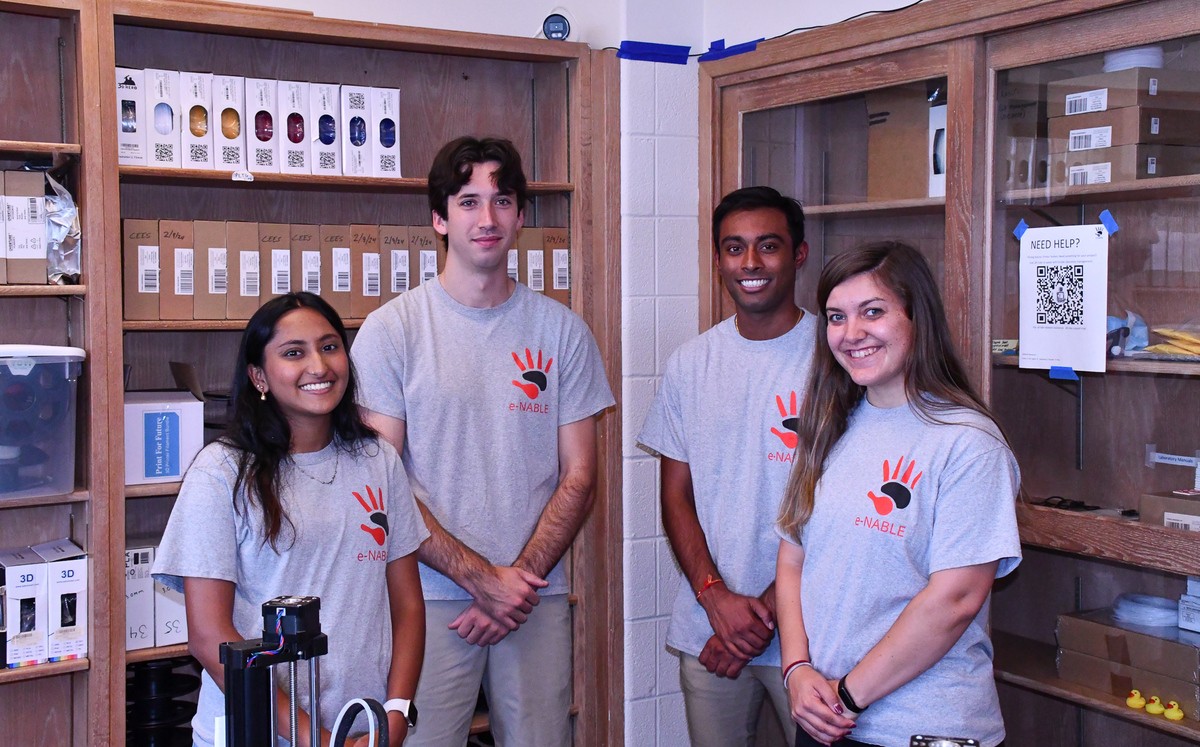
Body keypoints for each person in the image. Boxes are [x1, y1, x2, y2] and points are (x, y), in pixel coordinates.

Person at [351, 136, 614, 746]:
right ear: (439, 218)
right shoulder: (393, 331)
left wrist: (513, 583)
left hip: (533, 597)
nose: (487, 218)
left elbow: (580, 475)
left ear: (522, 214)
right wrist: (478, 579)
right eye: (468, 201)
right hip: (426, 598)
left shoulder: (563, 333)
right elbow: (377, 484)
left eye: (502, 200)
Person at [153, 292, 428, 747]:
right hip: (256, 732)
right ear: (258, 375)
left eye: (330, 346)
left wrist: (395, 715)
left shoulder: (377, 459)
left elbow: (408, 607)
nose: (318, 366)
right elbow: (208, 637)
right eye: (293, 353)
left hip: (362, 729)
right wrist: (317, 740)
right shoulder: (220, 473)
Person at [774, 242, 1021, 747]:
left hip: (920, 728)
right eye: (836, 317)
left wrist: (845, 698)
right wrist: (796, 669)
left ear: (917, 317)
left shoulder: (967, 442)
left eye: (873, 312)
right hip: (825, 719)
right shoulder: (829, 426)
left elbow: (954, 599)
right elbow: (793, 556)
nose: (852, 333)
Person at [638, 186, 815, 745]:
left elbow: (839, 510)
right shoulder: (691, 363)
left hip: (812, 634)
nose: (751, 263)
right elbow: (676, 497)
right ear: (718, 259)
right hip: (709, 627)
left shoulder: (836, 361)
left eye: (769, 246)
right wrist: (715, 598)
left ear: (799, 255)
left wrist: (757, 619)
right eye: (734, 248)